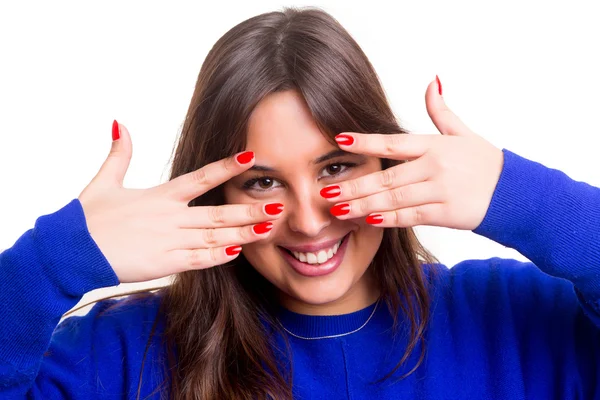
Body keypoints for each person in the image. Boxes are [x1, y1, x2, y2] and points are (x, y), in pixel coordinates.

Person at [1, 6, 599, 400]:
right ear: (218, 195)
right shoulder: (122, 351)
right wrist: (53, 261)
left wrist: (522, 197)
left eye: (336, 169)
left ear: (388, 164)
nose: (310, 221)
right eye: (262, 182)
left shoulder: (516, 320)